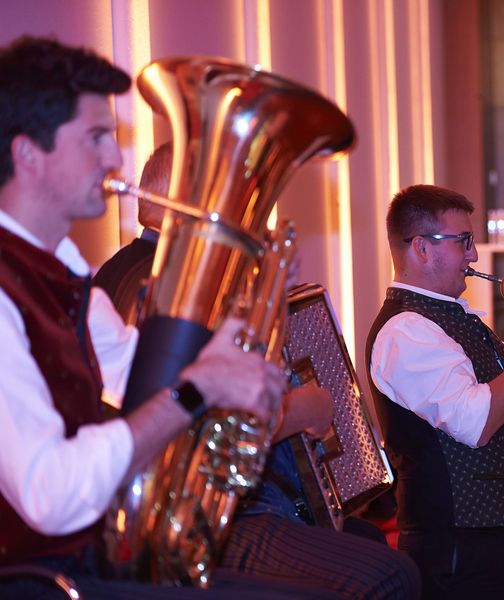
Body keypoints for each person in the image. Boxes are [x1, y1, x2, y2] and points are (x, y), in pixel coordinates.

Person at [0, 35, 406, 600]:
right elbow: (51, 493)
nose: (115, 160)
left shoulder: (73, 286)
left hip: (99, 559)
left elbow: (146, 389)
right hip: (42, 579)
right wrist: (198, 388)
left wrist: (242, 339)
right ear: (27, 152)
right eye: (95, 138)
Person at [93, 142, 421, 599]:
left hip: (207, 507)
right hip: (215, 518)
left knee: (367, 540)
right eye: (237, 198)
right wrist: (304, 408)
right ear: (193, 198)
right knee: (391, 573)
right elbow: (197, 432)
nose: (248, 215)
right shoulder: (175, 286)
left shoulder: (117, 273)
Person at [365, 184, 504, 599]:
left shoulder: (457, 319)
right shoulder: (406, 330)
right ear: (422, 248)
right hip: (457, 549)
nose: (473, 255)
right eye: (463, 241)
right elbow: (477, 423)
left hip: (496, 542)